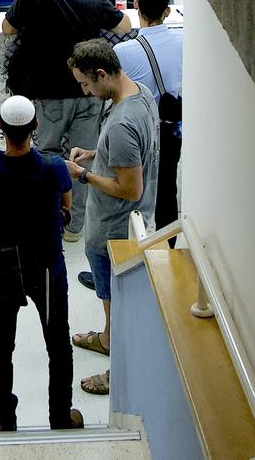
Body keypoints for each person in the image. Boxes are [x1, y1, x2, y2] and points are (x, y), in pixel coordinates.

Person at [3, 0, 131, 243]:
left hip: (47, 96)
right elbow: (124, 25)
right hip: (88, 95)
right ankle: (75, 227)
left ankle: (50, 218)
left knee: (47, 155)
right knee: (84, 160)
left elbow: (8, 28)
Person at [0, 95, 83, 433]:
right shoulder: (54, 167)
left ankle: (5, 418)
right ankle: (60, 417)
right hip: (47, 265)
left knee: (2, 343)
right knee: (57, 342)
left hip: (4, 265)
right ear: (36, 125)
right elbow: (65, 203)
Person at [66, 39, 159, 397]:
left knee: (119, 304)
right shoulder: (139, 93)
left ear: (102, 73)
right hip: (115, 226)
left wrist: (82, 174)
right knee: (110, 300)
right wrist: (94, 154)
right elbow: (129, 157)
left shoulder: (121, 123)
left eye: (86, 84)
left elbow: (129, 189)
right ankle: (106, 339)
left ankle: (118, 371)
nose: (85, 91)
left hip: (115, 233)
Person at [114, 0, 182, 245]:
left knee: (130, 192)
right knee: (167, 188)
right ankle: (169, 250)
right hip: (172, 129)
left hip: (138, 133)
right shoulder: (184, 40)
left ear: (135, 5)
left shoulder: (123, 52)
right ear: (167, 11)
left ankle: (128, 254)